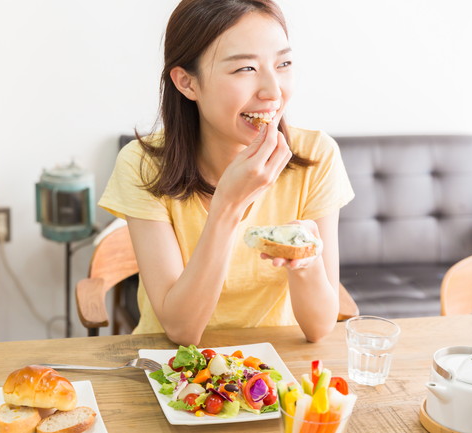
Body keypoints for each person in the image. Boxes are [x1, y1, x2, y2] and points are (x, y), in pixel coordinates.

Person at [99, 0, 354, 346]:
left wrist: (304, 259)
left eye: (283, 64)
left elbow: (320, 327)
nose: (273, 91)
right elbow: (180, 329)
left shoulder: (316, 156)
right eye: (245, 69)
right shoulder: (142, 164)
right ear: (187, 83)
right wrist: (228, 205)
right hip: (170, 368)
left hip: (273, 371)